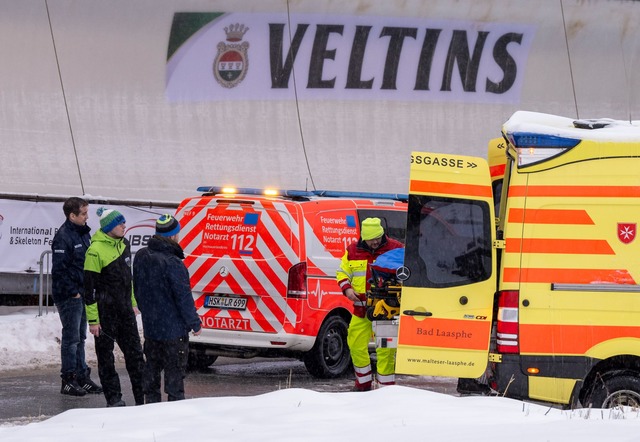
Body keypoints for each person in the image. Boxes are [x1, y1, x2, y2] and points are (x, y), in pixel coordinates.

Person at [133, 214, 202, 403]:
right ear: (173, 236)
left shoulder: (141, 256)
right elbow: (183, 297)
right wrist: (194, 323)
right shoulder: (173, 263)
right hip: (173, 332)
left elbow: (137, 289)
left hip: (152, 328)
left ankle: (151, 412)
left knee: (152, 376)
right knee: (174, 382)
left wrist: (147, 311)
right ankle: (172, 420)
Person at [83, 207, 145, 407]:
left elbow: (129, 279)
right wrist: (93, 320)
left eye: (124, 222)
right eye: (120, 223)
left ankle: (142, 399)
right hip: (105, 315)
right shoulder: (94, 251)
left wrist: (133, 302)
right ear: (109, 227)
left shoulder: (124, 244)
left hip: (125, 312)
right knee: (107, 360)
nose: (124, 226)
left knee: (136, 357)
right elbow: (89, 289)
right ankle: (114, 399)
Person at [336, 217, 404, 391]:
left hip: (387, 309)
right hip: (361, 308)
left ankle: (386, 386)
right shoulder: (352, 251)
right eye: (371, 239)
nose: (375, 242)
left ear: (382, 234)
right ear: (363, 237)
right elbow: (342, 272)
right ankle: (363, 383)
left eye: (378, 238)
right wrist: (347, 289)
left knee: (386, 349)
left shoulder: (396, 248)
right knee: (355, 343)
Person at [51, 197, 102, 396]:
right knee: (71, 339)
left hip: (82, 293)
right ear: (72, 215)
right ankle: (68, 379)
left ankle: (82, 376)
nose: (87, 217)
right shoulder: (64, 236)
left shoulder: (83, 234)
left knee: (80, 337)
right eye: (83, 214)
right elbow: (60, 270)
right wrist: (73, 291)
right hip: (69, 295)